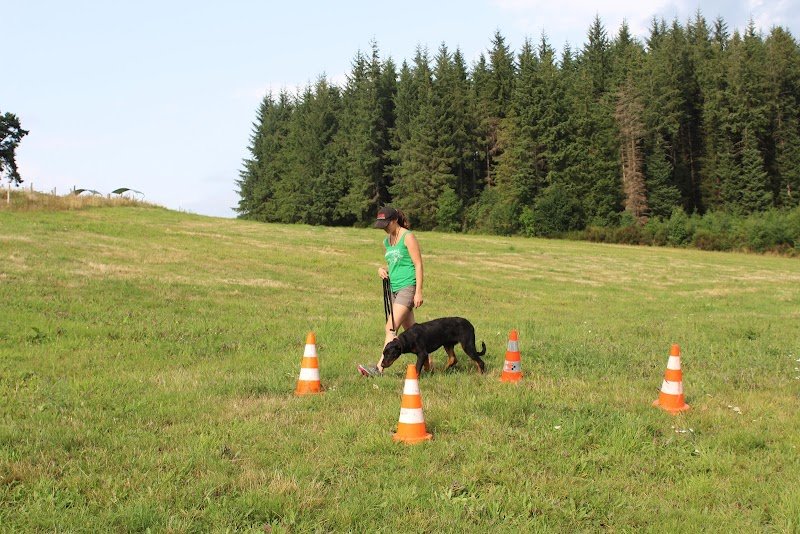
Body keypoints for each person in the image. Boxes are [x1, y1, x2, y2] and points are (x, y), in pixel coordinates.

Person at [358, 206, 424, 377]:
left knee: (390, 328)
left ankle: (378, 369)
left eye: (386, 224)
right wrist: (383, 269)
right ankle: (428, 362)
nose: (384, 228)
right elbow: (395, 263)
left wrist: (418, 291)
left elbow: (418, 264)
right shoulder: (387, 241)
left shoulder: (408, 237)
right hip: (394, 289)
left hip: (408, 287)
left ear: (394, 221)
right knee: (412, 331)